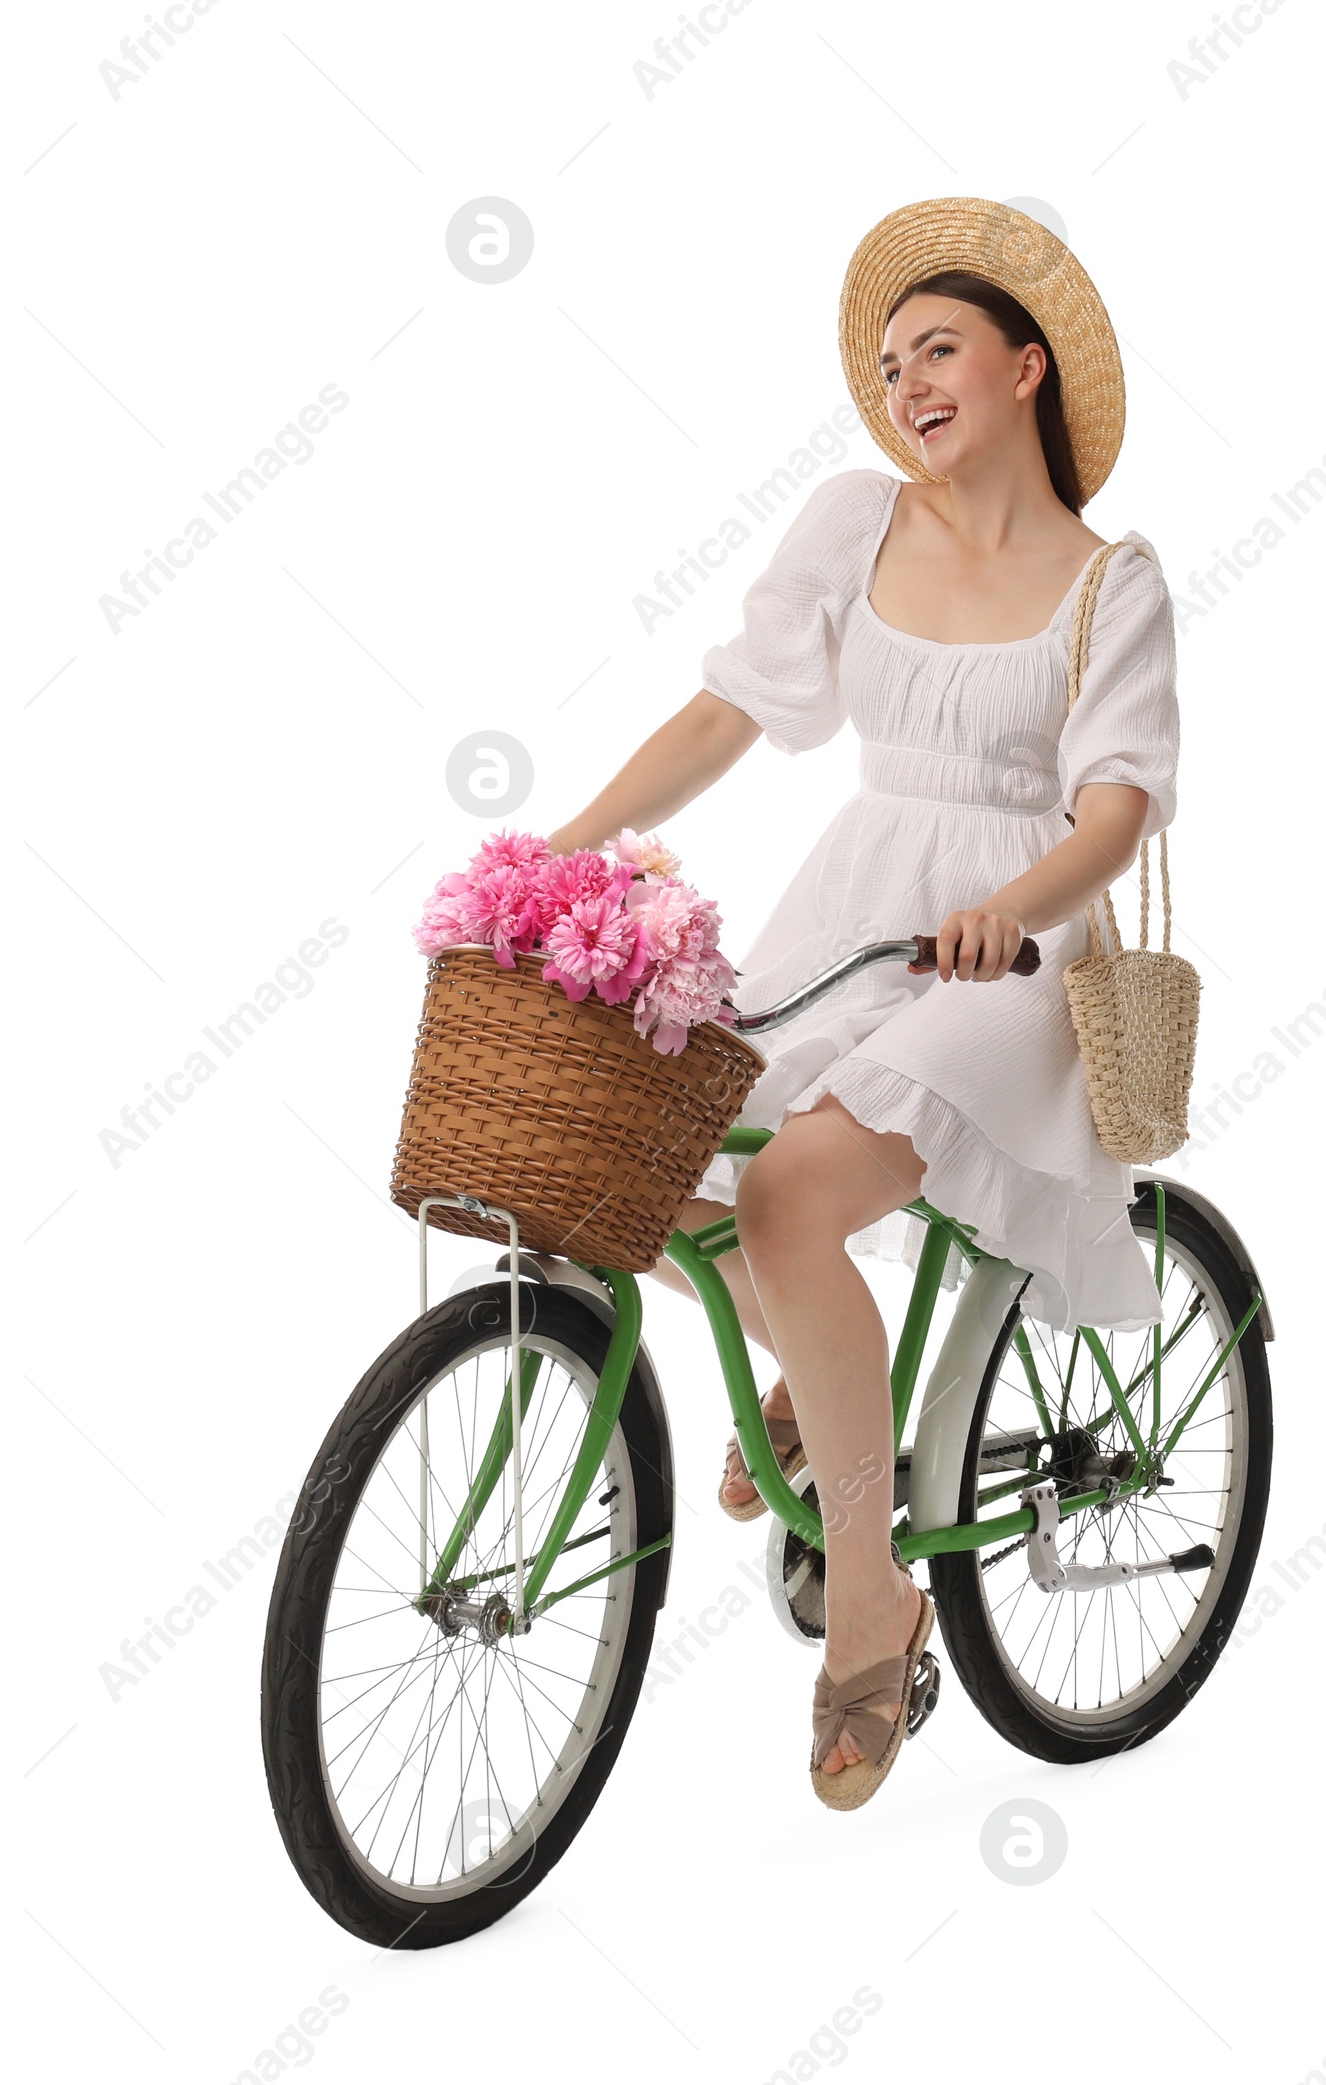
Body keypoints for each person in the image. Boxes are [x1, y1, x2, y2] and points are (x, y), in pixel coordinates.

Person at [546, 196, 1179, 1809]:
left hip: (1017, 958)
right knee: (656, 1159)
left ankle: (878, 1609)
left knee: (786, 1189)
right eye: (892, 363)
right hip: (856, 910)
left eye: (942, 347)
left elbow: (1116, 807)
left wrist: (1012, 906)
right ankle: (821, 1379)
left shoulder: (1114, 580)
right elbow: (729, 710)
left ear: (1027, 368)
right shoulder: (853, 520)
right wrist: (566, 847)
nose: (908, 381)